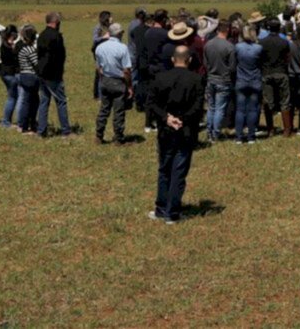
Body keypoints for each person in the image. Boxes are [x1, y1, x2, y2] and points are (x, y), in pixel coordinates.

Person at [146, 45, 205, 224]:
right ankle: (173, 212)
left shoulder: (160, 78)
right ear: (189, 60)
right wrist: (183, 119)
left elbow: (151, 103)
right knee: (179, 170)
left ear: (173, 59)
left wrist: (166, 118)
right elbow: (198, 107)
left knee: (164, 169)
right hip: (186, 130)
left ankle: (161, 208)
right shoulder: (196, 79)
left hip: (166, 130)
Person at [95, 22, 133, 145]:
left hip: (105, 80)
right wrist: (129, 86)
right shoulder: (123, 48)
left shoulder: (100, 47)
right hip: (118, 82)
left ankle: (99, 136)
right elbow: (126, 70)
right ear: (119, 34)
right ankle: (118, 138)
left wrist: (103, 79)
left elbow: (98, 68)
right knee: (118, 111)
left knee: (104, 110)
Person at [36, 12, 71, 138]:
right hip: (53, 74)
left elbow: (39, 54)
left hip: (41, 73)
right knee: (61, 101)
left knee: (44, 101)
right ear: (56, 22)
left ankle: (41, 131)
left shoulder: (41, 35)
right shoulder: (56, 36)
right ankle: (66, 131)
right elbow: (59, 56)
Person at [203, 20, 236, 142]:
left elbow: (205, 64)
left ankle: (209, 131)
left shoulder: (208, 44)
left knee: (211, 107)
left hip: (211, 79)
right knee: (220, 109)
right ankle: (216, 134)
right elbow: (232, 68)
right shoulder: (229, 47)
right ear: (227, 29)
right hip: (224, 80)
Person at [259, 17, 292, 137]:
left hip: (266, 73)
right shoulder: (284, 42)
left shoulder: (262, 42)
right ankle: (287, 130)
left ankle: (270, 129)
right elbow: (288, 58)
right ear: (279, 28)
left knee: (268, 102)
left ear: (268, 28)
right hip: (281, 72)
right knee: (285, 101)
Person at [234, 26, 264, 144]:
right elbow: (261, 63)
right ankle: (251, 136)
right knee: (252, 109)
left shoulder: (237, 47)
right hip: (255, 80)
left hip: (241, 80)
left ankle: (238, 137)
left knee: (240, 110)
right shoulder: (259, 48)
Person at [15, 25, 40, 134]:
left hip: (23, 75)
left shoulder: (22, 48)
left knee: (27, 100)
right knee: (33, 101)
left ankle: (24, 125)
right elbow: (37, 64)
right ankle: (29, 124)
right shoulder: (30, 50)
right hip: (30, 77)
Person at [0, 25, 21, 128]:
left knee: (11, 97)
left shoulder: (3, 45)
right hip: (10, 74)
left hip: (4, 73)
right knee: (12, 98)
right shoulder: (9, 47)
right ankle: (6, 121)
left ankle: (6, 120)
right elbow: (14, 60)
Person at [91, 11, 112, 101]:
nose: (112, 18)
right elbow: (95, 39)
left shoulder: (110, 27)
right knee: (101, 73)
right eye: (110, 17)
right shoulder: (98, 27)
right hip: (99, 52)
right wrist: (104, 37)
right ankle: (100, 96)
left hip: (108, 51)